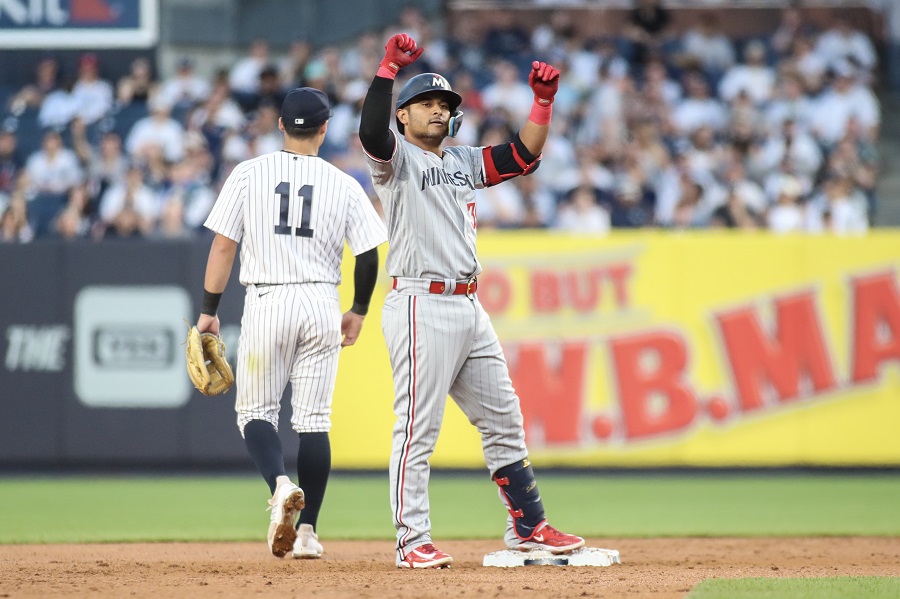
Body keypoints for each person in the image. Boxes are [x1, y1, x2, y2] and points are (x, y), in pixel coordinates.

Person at [358, 33, 585, 569]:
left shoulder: (462, 160)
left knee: (505, 419)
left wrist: (543, 103)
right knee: (418, 428)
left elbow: (524, 156)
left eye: (444, 105)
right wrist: (388, 68)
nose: (438, 111)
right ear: (405, 117)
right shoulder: (396, 160)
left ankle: (528, 527)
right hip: (420, 302)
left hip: (467, 306)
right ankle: (412, 541)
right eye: (426, 105)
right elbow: (370, 129)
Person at [196, 87, 388, 559]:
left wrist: (208, 311)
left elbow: (224, 247)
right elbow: (367, 254)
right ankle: (309, 533)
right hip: (322, 303)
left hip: (267, 299)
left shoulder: (249, 173)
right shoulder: (343, 182)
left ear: (279, 124)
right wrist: (359, 309)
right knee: (314, 422)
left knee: (255, 414)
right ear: (325, 128)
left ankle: (280, 483)